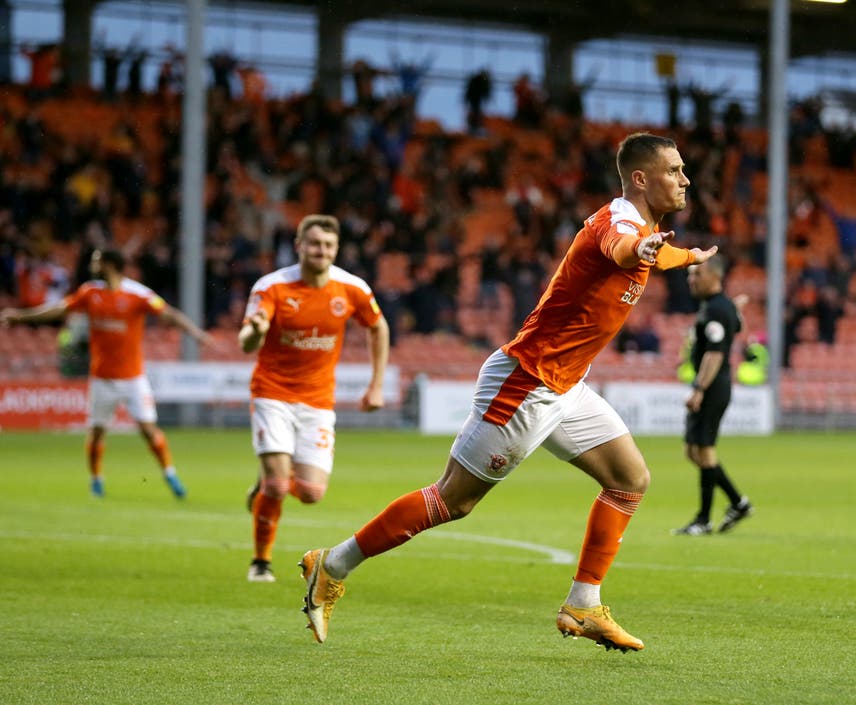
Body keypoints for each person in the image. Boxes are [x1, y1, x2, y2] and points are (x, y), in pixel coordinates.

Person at [297, 132, 717, 652]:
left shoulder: (643, 230)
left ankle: (583, 604)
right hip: (527, 382)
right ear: (640, 178)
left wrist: (685, 256)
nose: (685, 179)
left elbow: (648, 251)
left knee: (630, 480)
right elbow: (623, 247)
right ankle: (331, 564)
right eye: (674, 170)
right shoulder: (620, 224)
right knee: (452, 500)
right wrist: (647, 249)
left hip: (565, 384)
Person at [239, 215, 390, 583]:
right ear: (299, 245)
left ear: (336, 249)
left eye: (328, 245)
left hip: (318, 401)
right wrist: (256, 331)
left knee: (310, 493)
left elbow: (378, 326)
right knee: (278, 486)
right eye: (314, 243)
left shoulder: (351, 288)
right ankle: (261, 562)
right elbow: (247, 342)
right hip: (272, 392)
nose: (321, 251)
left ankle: (264, 485)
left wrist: (377, 385)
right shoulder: (272, 287)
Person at [1, 248, 213, 499]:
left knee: (148, 428)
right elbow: (59, 309)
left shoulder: (138, 294)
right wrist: (21, 318)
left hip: (133, 377)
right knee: (98, 431)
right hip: (102, 378)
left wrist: (195, 333)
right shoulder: (90, 292)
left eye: (97, 260)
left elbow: (169, 314)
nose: (92, 263)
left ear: (110, 265)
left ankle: (170, 473)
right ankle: (96, 481)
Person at [673, 254, 753, 536]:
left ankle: (704, 519)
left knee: (704, 451)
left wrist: (698, 389)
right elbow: (738, 328)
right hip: (712, 386)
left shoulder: (717, 309)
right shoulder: (718, 306)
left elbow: (715, 354)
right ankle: (737, 502)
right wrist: (735, 310)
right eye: (690, 275)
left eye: (697, 275)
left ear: (715, 277)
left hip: (712, 387)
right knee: (693, 451)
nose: (690, 279)